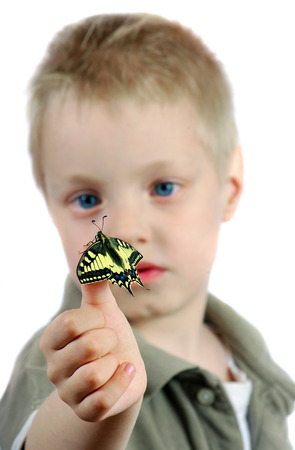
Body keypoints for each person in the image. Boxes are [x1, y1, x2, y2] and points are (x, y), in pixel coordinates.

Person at [0, 13, 294, 450]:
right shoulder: (66, 364)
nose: (124, 231)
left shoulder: (248, 357)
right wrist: (99, 405)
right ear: (51, 210)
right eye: (87, 200)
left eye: (163, 188)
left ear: (229, 189)